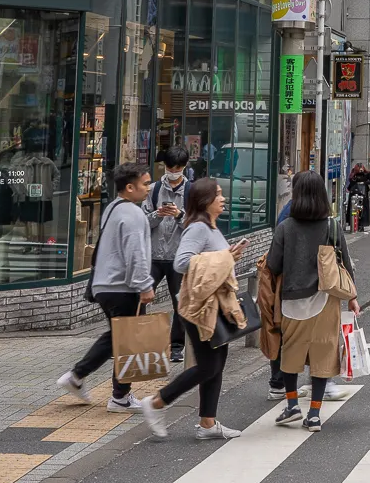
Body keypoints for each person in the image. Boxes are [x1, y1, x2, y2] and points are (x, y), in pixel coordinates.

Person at [136, 178, 248, 438]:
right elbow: (182, 262)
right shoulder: (198, 228)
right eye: (218, 195)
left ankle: (208, 423)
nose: (222, 199)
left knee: (216, 364)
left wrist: (229, 254)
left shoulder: (211, 227)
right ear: (205, 201)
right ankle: (156, 402)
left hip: (216, 304)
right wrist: (225, 257)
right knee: (208, 366)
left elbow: (213, 260)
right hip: (200, 307)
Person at [262, 172, 357, 430]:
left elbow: (273, 264)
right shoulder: (332, 226)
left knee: (290, 354)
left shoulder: (286, 228)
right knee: (322, 357)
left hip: (292, 300)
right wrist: (353, 299)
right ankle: (314, 415)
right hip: (326, 300)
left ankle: (292, 405)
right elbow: (345, 264)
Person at [58, 164, 156, 413]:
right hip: (123, 287)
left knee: (116, 337)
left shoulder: (112, 208)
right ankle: (118, 396)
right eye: (145, 184)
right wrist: (145, 285)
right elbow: (136, 254)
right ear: (130, 187)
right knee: (128, 341)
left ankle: (79, 377)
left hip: (106, 285)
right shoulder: (133, 215)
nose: (149, 188)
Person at [145, 148, 191, 366]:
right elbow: (143, 222)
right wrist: (157, 214)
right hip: (153, 255)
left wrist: (179, 215)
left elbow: (195, 225)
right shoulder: (153, 190)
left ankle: (176, 347)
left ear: (185, 167)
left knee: (179, 303)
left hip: (178, 257)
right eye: (169, 168)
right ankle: (140, 344)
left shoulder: (191, 191)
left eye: (178, 169)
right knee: (141, 297)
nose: (173, 172)